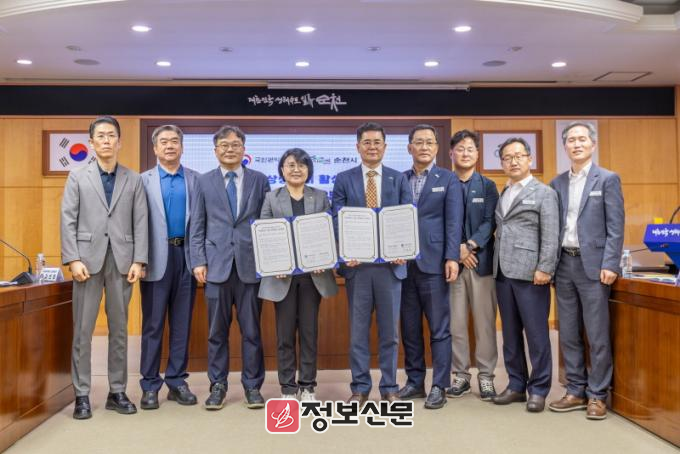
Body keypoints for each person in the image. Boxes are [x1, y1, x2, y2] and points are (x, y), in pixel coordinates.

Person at [61, 115, 148, 419]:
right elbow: (68, 219)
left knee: (120, 331)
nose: (106, 140)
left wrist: (139, 259)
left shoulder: (133, 179)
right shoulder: (77, 177)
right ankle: (82, 394)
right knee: (83, 332)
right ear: (91, 142)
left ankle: (117, 391)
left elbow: (140, 222)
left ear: (119, 142)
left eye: (111, 135)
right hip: (86, 261)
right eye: (101, 136)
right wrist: (73, 259)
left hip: (123, 262)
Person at [189, 125, 270, 410]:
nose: (230, 149)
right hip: (216, 267)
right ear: (215, 151)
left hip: (251, 266)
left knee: (252, 332)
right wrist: (198, 260)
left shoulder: (260, 180)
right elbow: (196, 224)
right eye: (224, 145)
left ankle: (252, 386)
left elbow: (267, 224)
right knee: (216, 333)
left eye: (235, 144)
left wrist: (270, 261)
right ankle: (218, 385)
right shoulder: (203, 181)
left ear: (244, 149)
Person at [332, 122, 412, 406]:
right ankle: (360, 387)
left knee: (390, 333)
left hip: (391, 267)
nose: (372, 147)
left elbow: (406, 216)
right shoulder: (344, 179)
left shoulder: (398, 179)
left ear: (385, 147)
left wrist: (403, 248)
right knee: (358, 333)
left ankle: (389, 386)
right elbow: (337, 219)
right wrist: (346, 250)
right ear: (358, 147)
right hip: (358, 268)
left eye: (377, 142)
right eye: (366, 142)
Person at [548, 122, 624, 420]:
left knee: (597, 334)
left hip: (594, 266)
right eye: (571, 140)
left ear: (593, 144)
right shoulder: (557, 183)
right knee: (568, 333)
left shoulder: (607, 179)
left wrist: (610, 263)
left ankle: (598, 395)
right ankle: (576, 390)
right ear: (565, 146)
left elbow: (615, 225)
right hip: (564, 265)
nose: (576, 144)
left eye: (582, 139)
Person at [259, 148, 339, 401]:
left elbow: (328, 231)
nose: (296, 169)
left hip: (312, 276)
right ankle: (287, 388)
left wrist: (324, 258)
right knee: (284, 334)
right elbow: (264, 234)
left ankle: (307, 386)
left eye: (302, 165)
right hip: (282, 276)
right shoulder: (271, 198)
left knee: (308, 332)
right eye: (291, 165)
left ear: (309, 170)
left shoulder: (320, 196)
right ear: (282, 169)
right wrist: (275, 263)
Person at [396, 124, 463, 409]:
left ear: (436, 148)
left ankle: (439, 385)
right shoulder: (399, 179)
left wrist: (452, 257)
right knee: (409, 328)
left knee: (439, 328)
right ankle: (415, 382)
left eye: (429, 142)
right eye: (419, 142)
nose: (424, 147)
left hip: (435, 263)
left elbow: (454, 221)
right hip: (402, 264)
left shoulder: (448, 178)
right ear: (409, 147)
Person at [491, 137, 559, 413]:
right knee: (509, 334)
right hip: (503, 273)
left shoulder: (544, 193)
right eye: (507, 157)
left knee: (537, 334)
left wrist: (545, 268)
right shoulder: (504, 191)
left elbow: (551, 234)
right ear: (502, 163)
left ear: (530, 159)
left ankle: (539, 389)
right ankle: (516, 385)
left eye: (519, 156)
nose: (514, 161)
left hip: (532, 274)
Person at [139, 125, 200, 410]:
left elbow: (201, 222)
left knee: (181, 324)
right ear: (155, 148)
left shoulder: (196, 180)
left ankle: (176, 381)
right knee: (153, 324)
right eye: (163, 142)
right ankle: (150, 384)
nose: (169, 146)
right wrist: (138, 259)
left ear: (182, 147)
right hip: (154, 259)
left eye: (175, 141)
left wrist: (200, 259)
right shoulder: (142, 181)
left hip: (186, 257)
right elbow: (136, 224)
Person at [448, 129, 500, 401]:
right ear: (451, 153)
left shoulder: (488, 185)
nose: (465, 153)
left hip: (481, 263)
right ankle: (460, 375)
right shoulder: (445, 183)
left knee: (485, 324)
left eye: (470, 148)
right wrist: (456, 250)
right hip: (452, 265)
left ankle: (486, 376)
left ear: (477, 154)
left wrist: (468, 246)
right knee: (456, 323)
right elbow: (442, 221)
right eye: (460, 148)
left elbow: (490, 222)